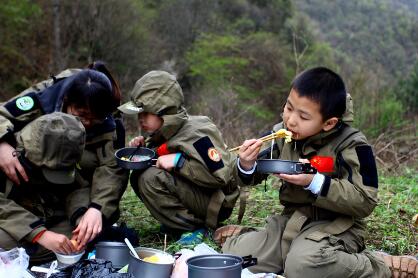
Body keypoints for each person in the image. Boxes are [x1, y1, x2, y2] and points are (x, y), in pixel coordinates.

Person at [214, 67, 417, 277]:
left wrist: (314, 182)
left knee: (303, 268)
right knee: (236, 259)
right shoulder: (280, 135)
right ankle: (255, 240)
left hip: (338, 225)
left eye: (303, 116)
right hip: (292, 220)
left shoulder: (353, 145)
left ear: (329, 123)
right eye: (288, 107)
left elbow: (366, 200)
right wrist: (246, 165)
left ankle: (382, 265)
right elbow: (250, 175)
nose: (291, 120)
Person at [0, 61, 129, 253]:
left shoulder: (109, 123)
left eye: (95, 118)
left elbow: (107, 172)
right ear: (67, 101)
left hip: (55, 190)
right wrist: (2, 143)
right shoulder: (43, 99)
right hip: (21, 175)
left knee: (79, 236)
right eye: (81, 115)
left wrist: (94, 209)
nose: (87, 123)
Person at [118, 70, 239, 245]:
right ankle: (177, 223)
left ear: (164, 111)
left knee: (149, 178)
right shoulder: (168, 129)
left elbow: (219, 177)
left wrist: (178, 162)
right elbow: (164, 150)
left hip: (215, 202)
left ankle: (196, 228)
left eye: (145, 113)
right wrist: (143, 148)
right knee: (140, 175)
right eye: (139, 114)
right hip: (198, 194)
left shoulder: (197, 133)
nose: (140, 119)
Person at [0, 112, 85, 263]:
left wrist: (81, 216)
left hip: (47, 218)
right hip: (13, 222)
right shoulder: (6, 155)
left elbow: (78, 189)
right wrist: (38, 234)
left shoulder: (66, 149)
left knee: (80, 235)